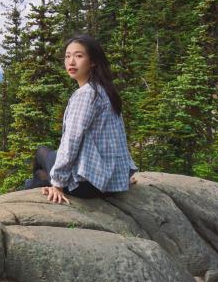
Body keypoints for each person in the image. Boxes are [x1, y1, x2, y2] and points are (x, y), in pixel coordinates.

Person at [25, 34, 138, 204]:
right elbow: (118, 139)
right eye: (67, 56)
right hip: (110, 182)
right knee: (45, 168)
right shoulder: (106, 91)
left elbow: (71, 141)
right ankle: (37, 184)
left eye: (79, 56)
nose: (71, 62)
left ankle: (34, 190)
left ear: (92, 61)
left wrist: (58, 184)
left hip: (86, 186)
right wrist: (124, 175)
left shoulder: (86, 95)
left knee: (41, 151)